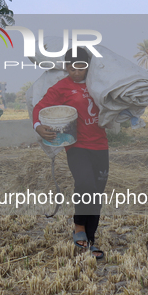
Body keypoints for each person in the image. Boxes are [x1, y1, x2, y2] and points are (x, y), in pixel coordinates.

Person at [33, 47, 109, 259]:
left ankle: (91, 241)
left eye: (81, 67)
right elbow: (40, 107)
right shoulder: (61, 87)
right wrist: (38, 126)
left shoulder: (99, 83)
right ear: (66, 67)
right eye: (73, 68)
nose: (77, 72)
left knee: (97, 195)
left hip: (101, 145)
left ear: (88, 67)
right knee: (86, 184)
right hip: (77, 145)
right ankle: (78, 225)